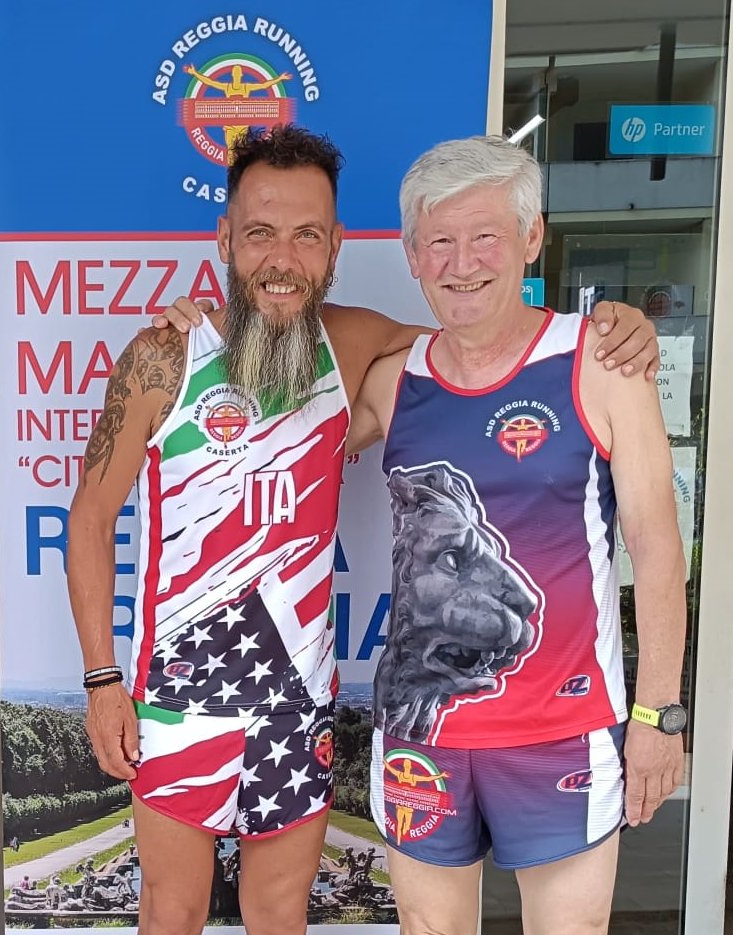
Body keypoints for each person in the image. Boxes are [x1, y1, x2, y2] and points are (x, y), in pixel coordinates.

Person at [69, 125, 657, 935]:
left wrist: (616, 331)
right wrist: (102, 681)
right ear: (225, 239)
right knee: (171, 913)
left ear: (336, 247)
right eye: (260, 233)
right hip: (179, 695)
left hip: (296, 699)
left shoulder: (356, 345)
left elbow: (489, 345)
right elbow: (90, 520)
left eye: (307, 235)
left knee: (279, 914)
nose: (282, 258)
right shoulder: (163, 357)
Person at [342, 136, 687, 935]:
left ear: (533, 238)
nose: (463, 263)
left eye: (486, 236)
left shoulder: (599, 361)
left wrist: (659, 714)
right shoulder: (393, 381)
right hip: (422, 732)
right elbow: (278, 407)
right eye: (440, 241)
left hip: (561, 730)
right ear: (412, 256)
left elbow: (658, 550)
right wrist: (194, 329)